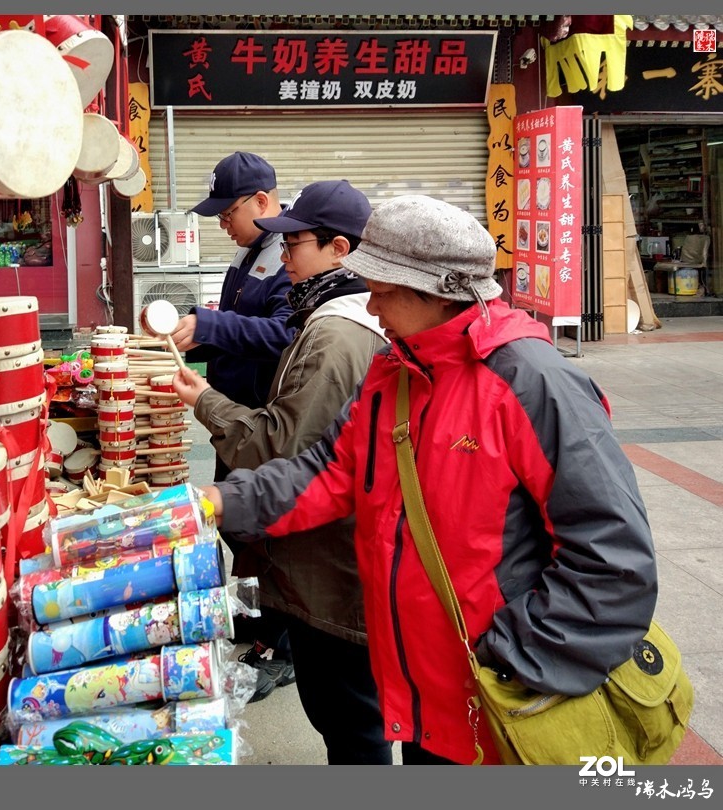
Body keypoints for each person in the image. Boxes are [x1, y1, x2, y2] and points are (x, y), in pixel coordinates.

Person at [198, 194, 657, 765]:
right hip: (421, 691)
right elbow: (330, 473)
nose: (370, 304)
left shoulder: (534, 383)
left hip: (499, 696)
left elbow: (613, 558)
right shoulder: (397, 371)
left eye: (383, 291)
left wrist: (517, 662)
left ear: (437, 292)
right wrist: (218, 501)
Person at [173, 180, 390, 764]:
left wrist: (205, 401)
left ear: (339, 249)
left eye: (295, 246)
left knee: (350, 719)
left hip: (335, 568)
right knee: (343, 714)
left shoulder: (337, 333)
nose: (284, 258)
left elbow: (283, 448)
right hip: (332, 557)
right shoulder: (326, 312)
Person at [180, 151, 298, 700]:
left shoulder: (288, 260)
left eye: (227, 213)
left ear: (262, 201)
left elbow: (281, 336)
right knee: (235, 528)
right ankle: (251, 625)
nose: (222, 224)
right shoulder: (250, 253)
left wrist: (210, 324)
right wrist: (201, 334)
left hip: (264, 423)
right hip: (234, 419)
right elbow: (240, 324)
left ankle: (280, 644)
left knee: (263, 536)